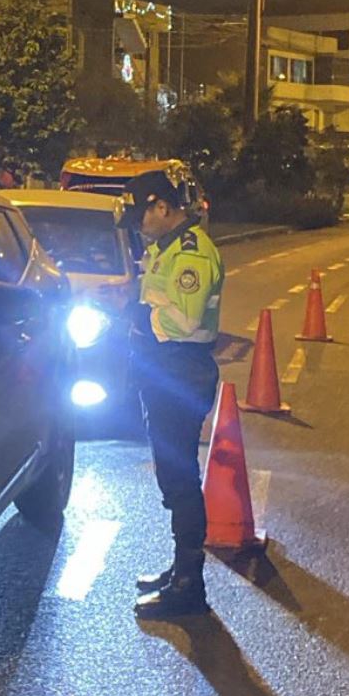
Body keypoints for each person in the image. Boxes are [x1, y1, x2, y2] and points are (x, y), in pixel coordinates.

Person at [123, 167, 224, 621]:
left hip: (182, 372)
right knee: (173, 475)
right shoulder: (165, 248)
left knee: (181, 480)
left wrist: (136, 319)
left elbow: (182, 321)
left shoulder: (191, 253)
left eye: (141, 214)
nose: (138, 225)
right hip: (167, 372)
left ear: (162, 206)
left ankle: (189, 586)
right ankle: (181, 569)